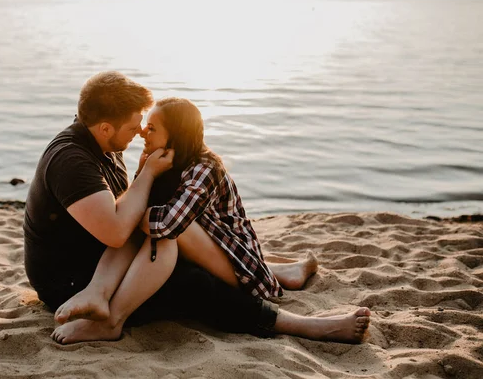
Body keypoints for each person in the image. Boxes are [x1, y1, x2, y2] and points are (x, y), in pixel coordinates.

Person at [35, 80, 370, 344]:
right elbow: (122, 226)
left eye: (148, 127)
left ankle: (292, 309)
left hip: (113, 263)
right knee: (185, 274)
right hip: (70, 281)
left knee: (171, 251)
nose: (139, 133)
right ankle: (297, 313)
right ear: (106, 128)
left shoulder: (119, 150)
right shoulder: (73, 160)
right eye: (136, 126)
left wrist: (142, 192)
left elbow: (145, 220)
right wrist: (145, 181)